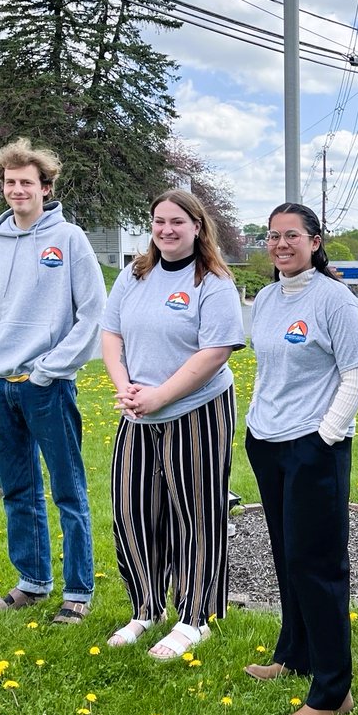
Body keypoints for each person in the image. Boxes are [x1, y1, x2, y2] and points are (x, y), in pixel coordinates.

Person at [243, 202, 358, 715]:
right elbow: (268, 364)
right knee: (286, 555)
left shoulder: (334, 300)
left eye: (291, 235)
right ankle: (293, 654)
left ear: (315, 242)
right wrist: (257, 423)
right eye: (272, 236)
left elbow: (357, 374)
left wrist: (325, 435)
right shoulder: (270, 297)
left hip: (313, 447)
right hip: (267, 442)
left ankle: (331, 692)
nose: (280, 244)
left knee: (317, 565)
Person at [0, 137, 106, 624]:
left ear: (46, 188)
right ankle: (32, 582)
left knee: (68, 490)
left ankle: (78, 590)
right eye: (10, 182)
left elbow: (92, 314)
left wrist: (49, 370)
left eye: (27, 182)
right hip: (0, 385)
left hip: (48, 386)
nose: (17, 190)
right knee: (19, 489)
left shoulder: (70, 240)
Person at [100, 189, 244, 658]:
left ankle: (195, 616)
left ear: (197, 227)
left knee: (195, 513)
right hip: (138, 411)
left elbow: (215, 352)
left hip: (195, 411)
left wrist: (160, 395)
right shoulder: (136, 274)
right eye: (159, 221)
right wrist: (125, 387)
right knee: (132, 511)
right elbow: (111, 332)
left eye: (177, 222)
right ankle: (147, 608)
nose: (166, 230)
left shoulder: (214, 282)